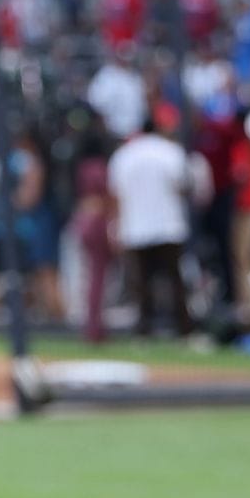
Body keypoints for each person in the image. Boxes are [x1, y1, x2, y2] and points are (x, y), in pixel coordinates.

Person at [107, 103, 203, 337]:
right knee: (175, 280)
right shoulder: (170, 151)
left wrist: (116, 226)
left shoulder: (124, 155)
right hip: (168, 225)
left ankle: (144, 329)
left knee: (141, 284)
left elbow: (115, 194)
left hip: (136, 227)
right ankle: (184, 328)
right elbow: (183, 188)